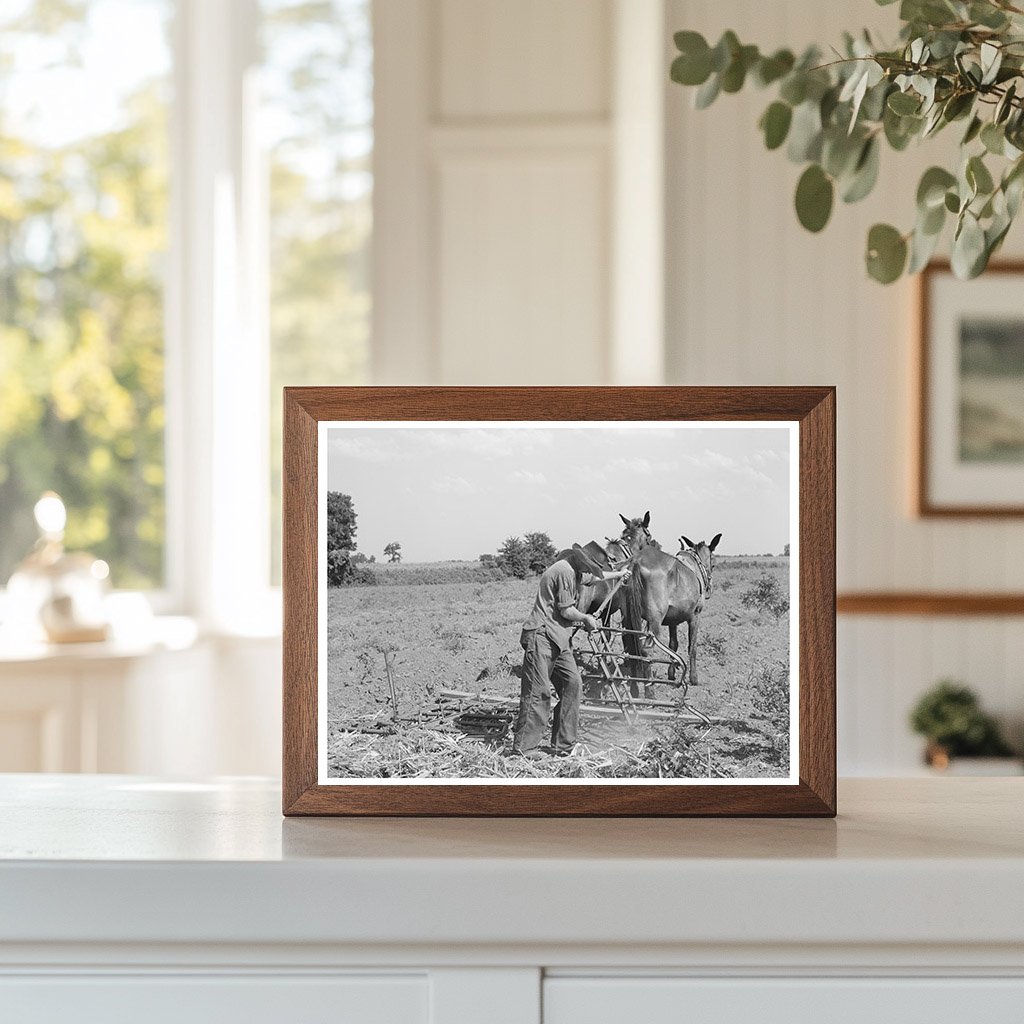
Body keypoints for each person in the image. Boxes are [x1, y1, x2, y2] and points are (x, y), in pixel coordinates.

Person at [511, 542, 631, 760]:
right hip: (542, 636)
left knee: (572, 684)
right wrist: (586, 618)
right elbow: (565, 610)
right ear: (581, 560)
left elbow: (596, 577)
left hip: (560, 639)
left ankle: (563, 745)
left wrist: (620, 573)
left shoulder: (576, 571)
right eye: (589, 567)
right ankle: (524, 748)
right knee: (538, 692)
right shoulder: (564, 571)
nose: (590, 571)